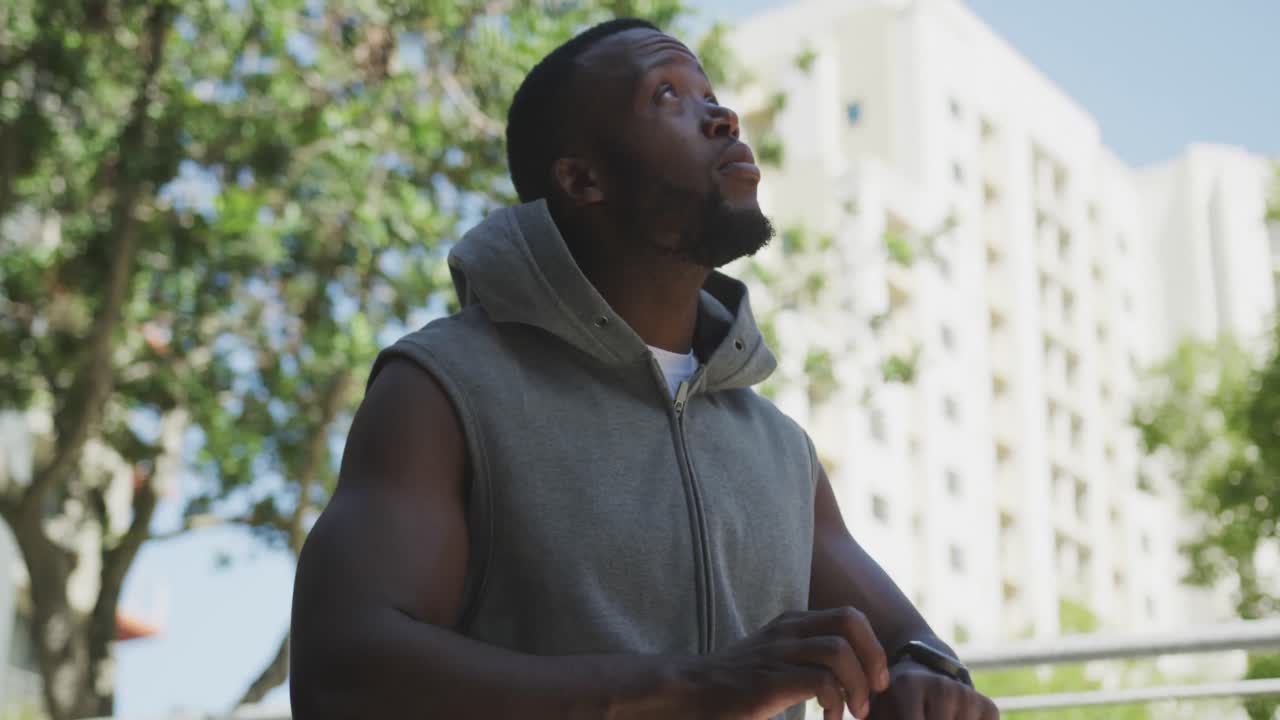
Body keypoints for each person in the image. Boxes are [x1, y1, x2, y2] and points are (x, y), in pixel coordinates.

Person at [289, 18, 999, 720]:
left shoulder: (781, 450)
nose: (722, 116)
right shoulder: (442, 388)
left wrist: (927, 679)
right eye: (667, 95)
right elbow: (342, 674)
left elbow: (913, 647)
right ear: (583, 179)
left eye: (710, 93)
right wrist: (692, 689)